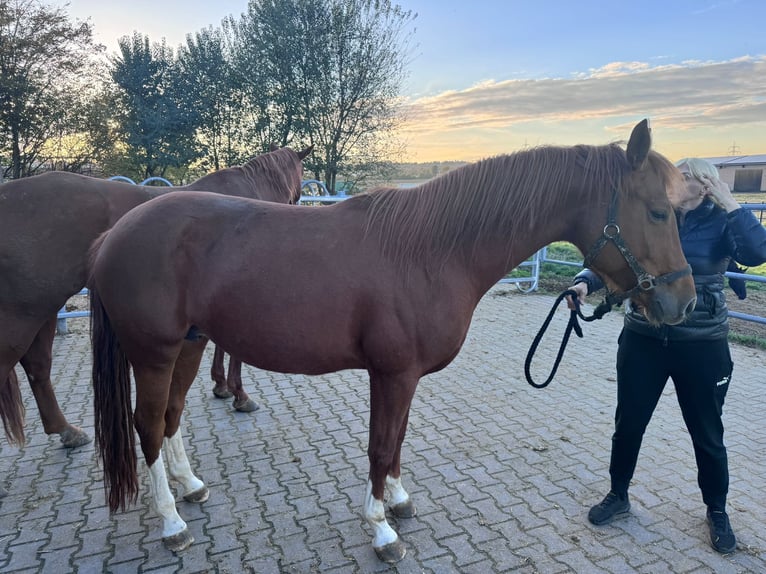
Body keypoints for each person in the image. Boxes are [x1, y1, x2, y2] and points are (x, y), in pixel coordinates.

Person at [568, 157, 766, 554]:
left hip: (702, 341)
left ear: (706, 184)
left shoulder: (722, 220)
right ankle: (618, 494)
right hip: (644, 337)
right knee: (628, 424)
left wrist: (731, 205)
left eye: (686, 176)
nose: (677, 181)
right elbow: (623, 254)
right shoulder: (657, 215)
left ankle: (717, 510)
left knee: (707, 434)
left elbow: (758, 252)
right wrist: (583, 282)